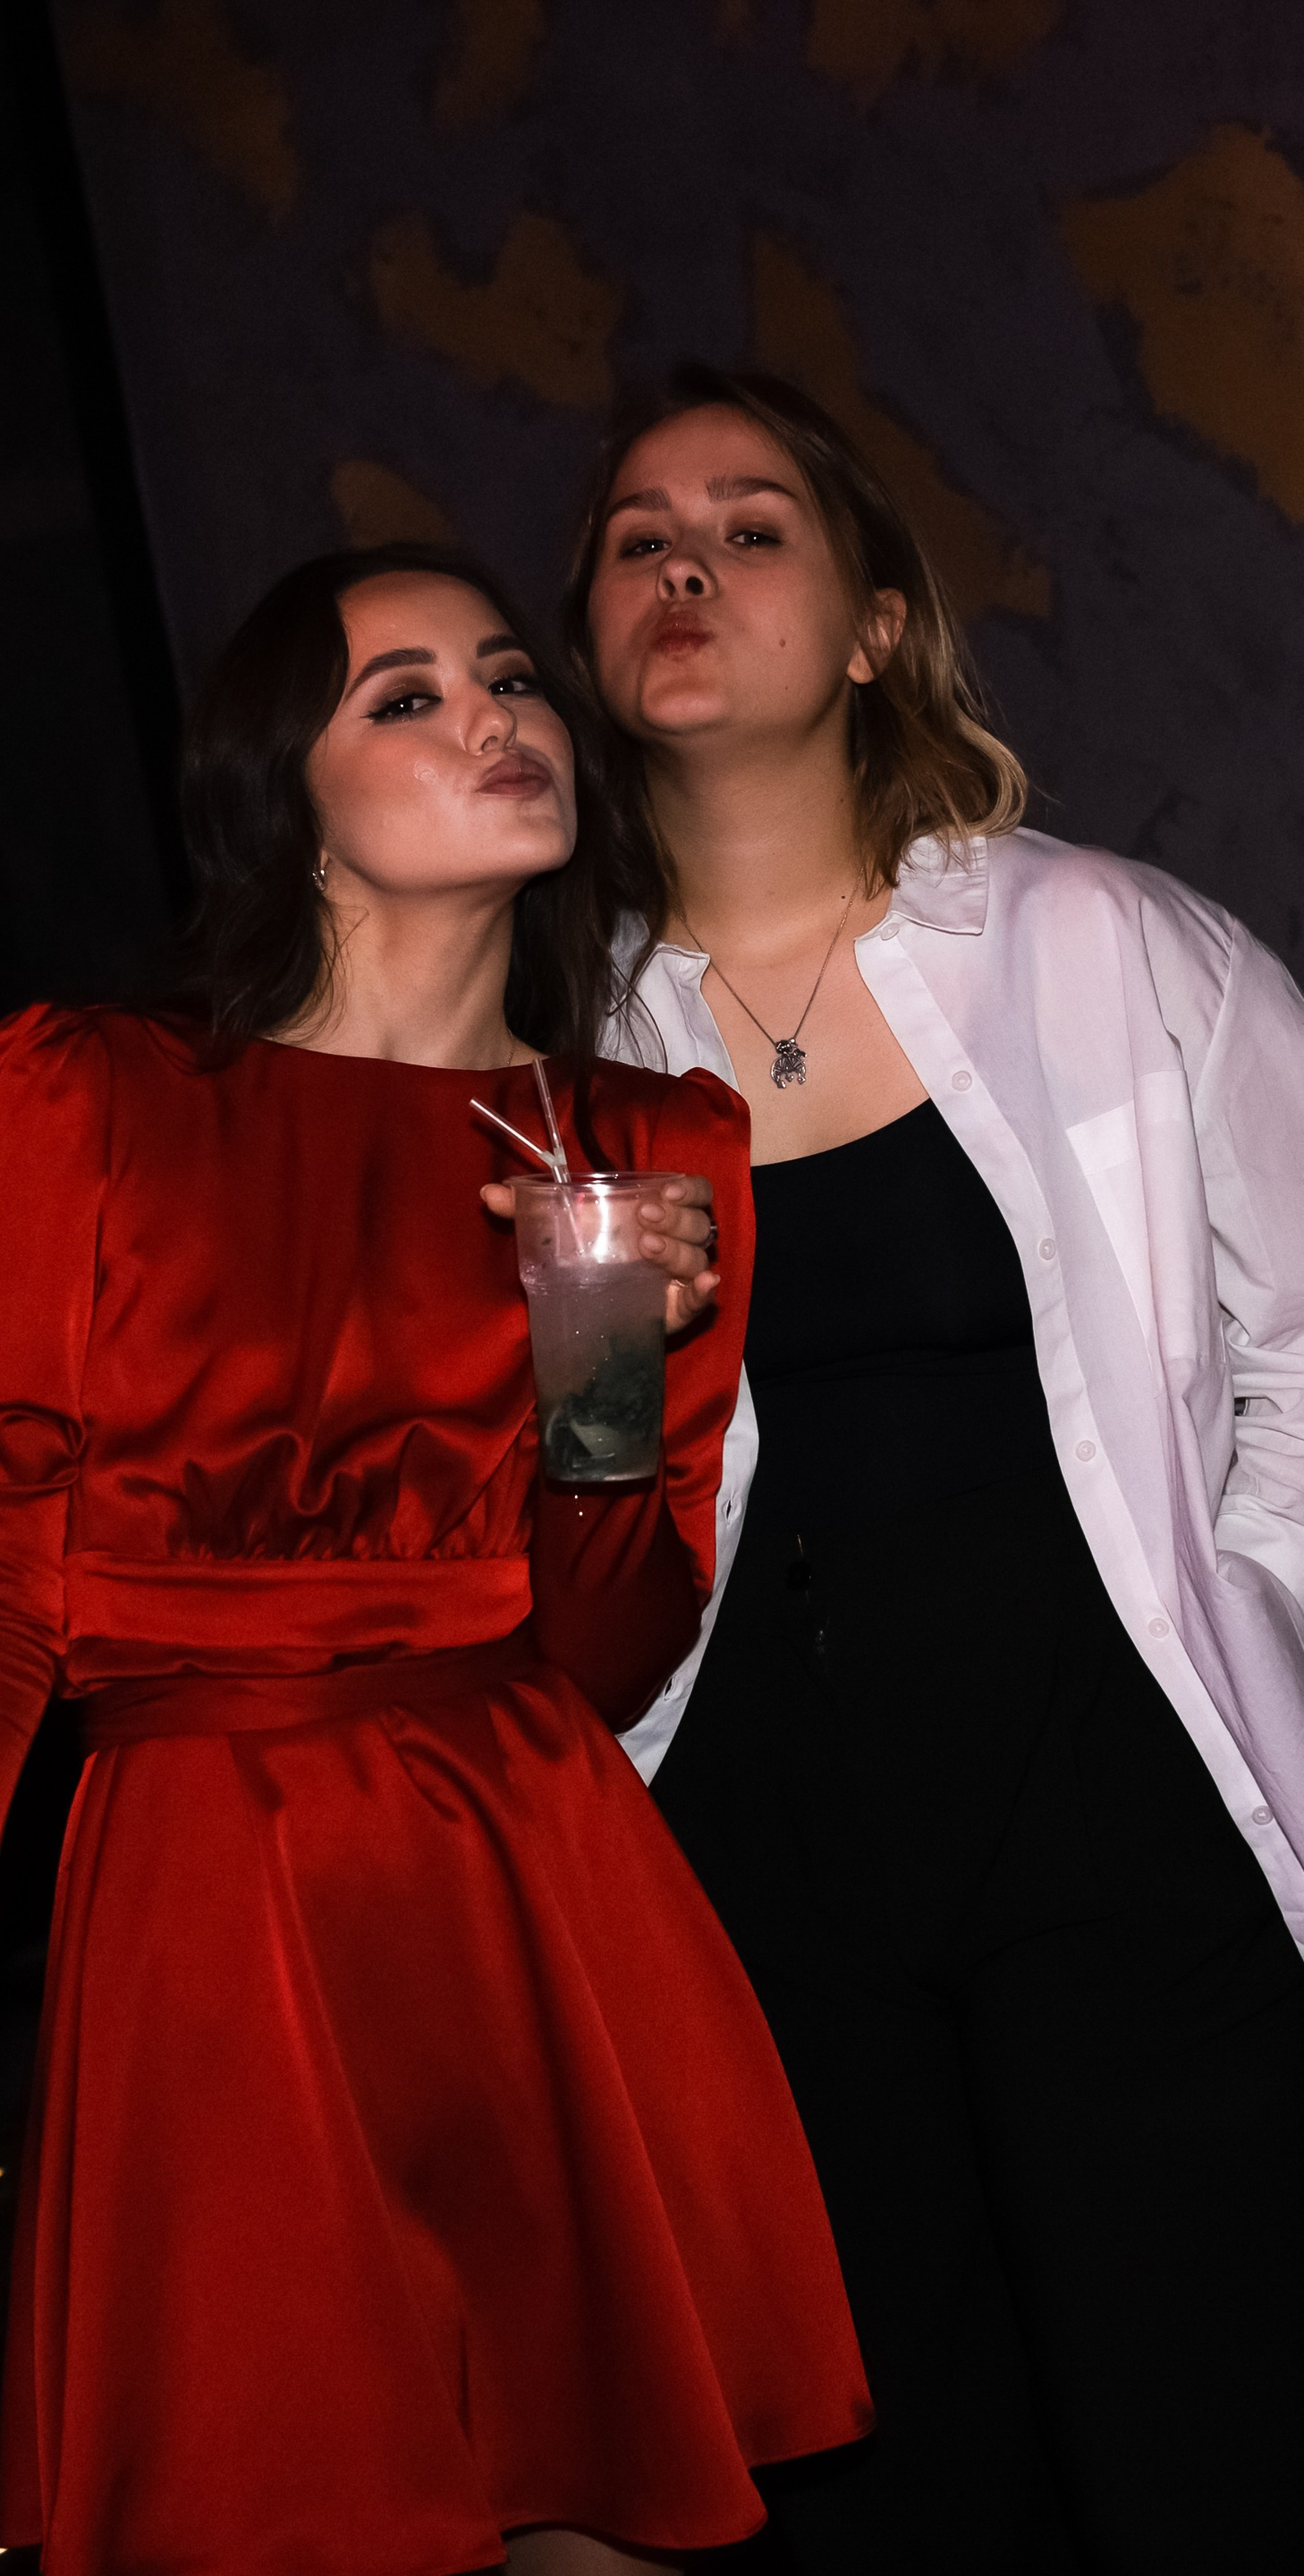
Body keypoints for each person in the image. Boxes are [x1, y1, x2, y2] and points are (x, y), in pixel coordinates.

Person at [0, 542, 872, 2576]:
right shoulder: (86, 1095)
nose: (500, 717)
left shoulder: (645, 1145)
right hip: (210, 1901)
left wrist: (600, 1357)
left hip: (531, 1881)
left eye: (514, 677)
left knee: (602, 2509)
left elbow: (610, 1653)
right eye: (409, 696)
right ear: (286, 794)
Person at [565, 362, 1304, 2575]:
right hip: (766, 1858)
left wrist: (1238, 1604)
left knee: (1213, 2436)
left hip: (1112, 1812)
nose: (685, 564)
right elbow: (589, 1503)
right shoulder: (572, 1056)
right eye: (635, 539)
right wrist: (603, 1348)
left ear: (878, 625)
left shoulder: (1095, 942)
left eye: (751, 526)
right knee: (909, 2483)